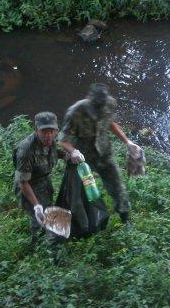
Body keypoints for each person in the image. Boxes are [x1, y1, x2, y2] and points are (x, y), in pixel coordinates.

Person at [57, 83, 142, 224]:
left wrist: (127, 142)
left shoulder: (109, 103)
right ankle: (82, 222)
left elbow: (111, 123)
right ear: (88, 98)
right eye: (96, 107)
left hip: (104, 153)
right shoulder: (75, 111)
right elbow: (62, 140)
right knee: (79, 192)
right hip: (82, 158)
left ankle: (124, 218)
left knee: (117, 186)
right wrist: (73, 151)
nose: (98, 111)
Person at [14, 111, 80, 243]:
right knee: (37, 216)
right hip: (29, 186)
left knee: (49, 208)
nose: (48, 135)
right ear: (36, 130)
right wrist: (36, 206)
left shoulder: (53, 140)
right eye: (44, 131)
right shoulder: (26, 150)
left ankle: (48, 232)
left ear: (56, 130)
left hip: (44, 180)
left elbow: (58, 152)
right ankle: (36, 242)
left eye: (51, 131)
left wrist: (70, 155)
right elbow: (23, 182)